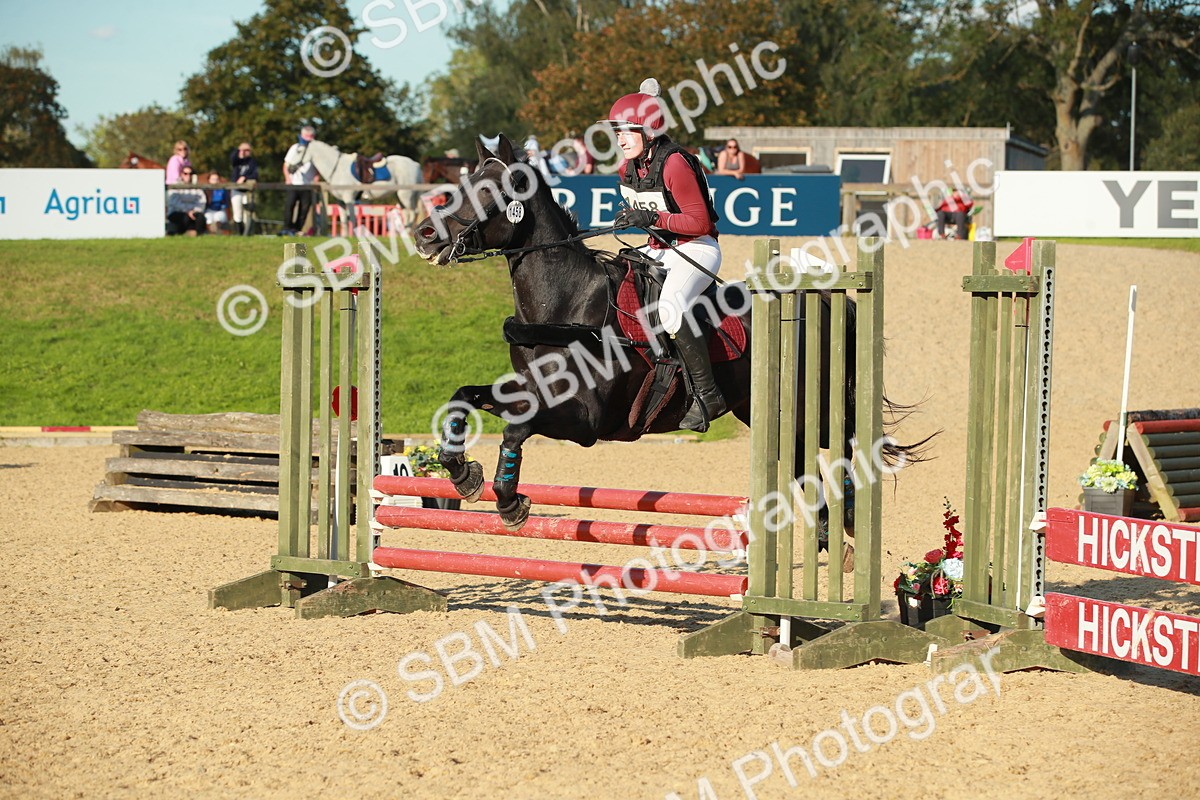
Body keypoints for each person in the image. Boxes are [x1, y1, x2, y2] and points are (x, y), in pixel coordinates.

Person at [603, 78, 725, 432]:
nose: (620, 138)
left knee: (671, 306)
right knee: (615, 274)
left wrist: (651, 218)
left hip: (697, 250)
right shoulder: (627, 169)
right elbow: (652, 218)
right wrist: (634, 220)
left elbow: (700, 222)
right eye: (617, 132)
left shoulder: (674, 164)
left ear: (649, 131)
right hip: (661, 250)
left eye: (627, 131)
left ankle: (708, 394)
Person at [282, 125, 318, 235]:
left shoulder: (316, 150)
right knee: (289, 206)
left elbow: (318, 168)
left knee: (304, 209)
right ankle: (287, 229)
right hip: (294, 183)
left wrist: (315, 181)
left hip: (307, 184)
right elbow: (286, 165)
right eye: (306, 136)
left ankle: (297, 230)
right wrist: (288, 178)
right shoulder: (295, 148)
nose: (308, 139)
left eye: (310, 136)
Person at [165, 167, 206, 235]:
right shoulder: (175, 185)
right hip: (177, 211)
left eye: (190, 174)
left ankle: (199, 236)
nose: (188, 176)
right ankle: (181, 234)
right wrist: (187, 211)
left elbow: (201, 201)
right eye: (185, 173)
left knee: (200, 217)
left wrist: (194, 210)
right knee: (185, 218)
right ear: (181, 174)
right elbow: (175, 202)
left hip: (193, 211)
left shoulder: (197, 186)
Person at [229, 141, 259, 235]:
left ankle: (247, 234)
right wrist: (239, 150)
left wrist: (244, 177)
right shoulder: (236, 161)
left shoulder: (252, 162)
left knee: (248, 214)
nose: (244, 152)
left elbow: (255, 175)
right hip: (236, 190)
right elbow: (233, 158)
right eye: (242, 150)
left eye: (247, 150)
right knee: (237, 214)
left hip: (247, 192)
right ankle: (239, 233)